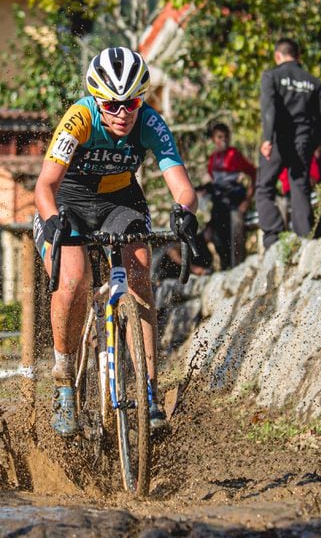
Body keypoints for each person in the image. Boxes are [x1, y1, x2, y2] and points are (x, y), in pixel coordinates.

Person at [33, 46, 201, 438]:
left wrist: (184, 211)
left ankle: (149, 392)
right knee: (73, 279)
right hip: (68, 200)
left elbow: (183, 188)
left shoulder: (150, 123)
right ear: (96, 99)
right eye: (112, 105)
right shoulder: (79, 117)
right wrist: (54, 221)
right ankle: (64, 386)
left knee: (140, 272)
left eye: (132, 104)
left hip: (119, 201)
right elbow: (44, 186)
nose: (122, 114)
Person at [255, 38, 321, 248]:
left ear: (278, 56)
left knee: (264, 187)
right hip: (303, 140)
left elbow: (269, 109)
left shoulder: (271, 76)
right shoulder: (313, 82)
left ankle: (273, 236)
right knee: (300, 186)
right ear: (298, 56)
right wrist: (312, 144)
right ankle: (305, 238)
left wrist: (268, 139)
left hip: (279, 138)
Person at [203, 121, 256, 269]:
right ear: (213, 139)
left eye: (226, 136)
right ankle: (225, 267)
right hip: (219, 203)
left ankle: (239, 267)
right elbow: (212, 181)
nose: (223, 140)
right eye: (220, 137)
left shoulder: (234, 154)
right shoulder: (213, 158)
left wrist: (247, 200)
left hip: (235, 202)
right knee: (214, 235)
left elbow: (254, 173)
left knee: (236, 232)